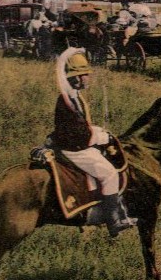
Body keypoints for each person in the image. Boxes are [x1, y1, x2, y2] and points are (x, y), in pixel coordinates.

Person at [50, 47, 138, 236]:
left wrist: (97, 130)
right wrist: (99, 136)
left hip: (77, 143)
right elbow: (77, 132)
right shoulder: (67, 99)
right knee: (110, 174)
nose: (88, 78)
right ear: (77, 78)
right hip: (75, 149)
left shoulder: (75, 96)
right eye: (85, 75)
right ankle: (113, 221)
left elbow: (82, 124)